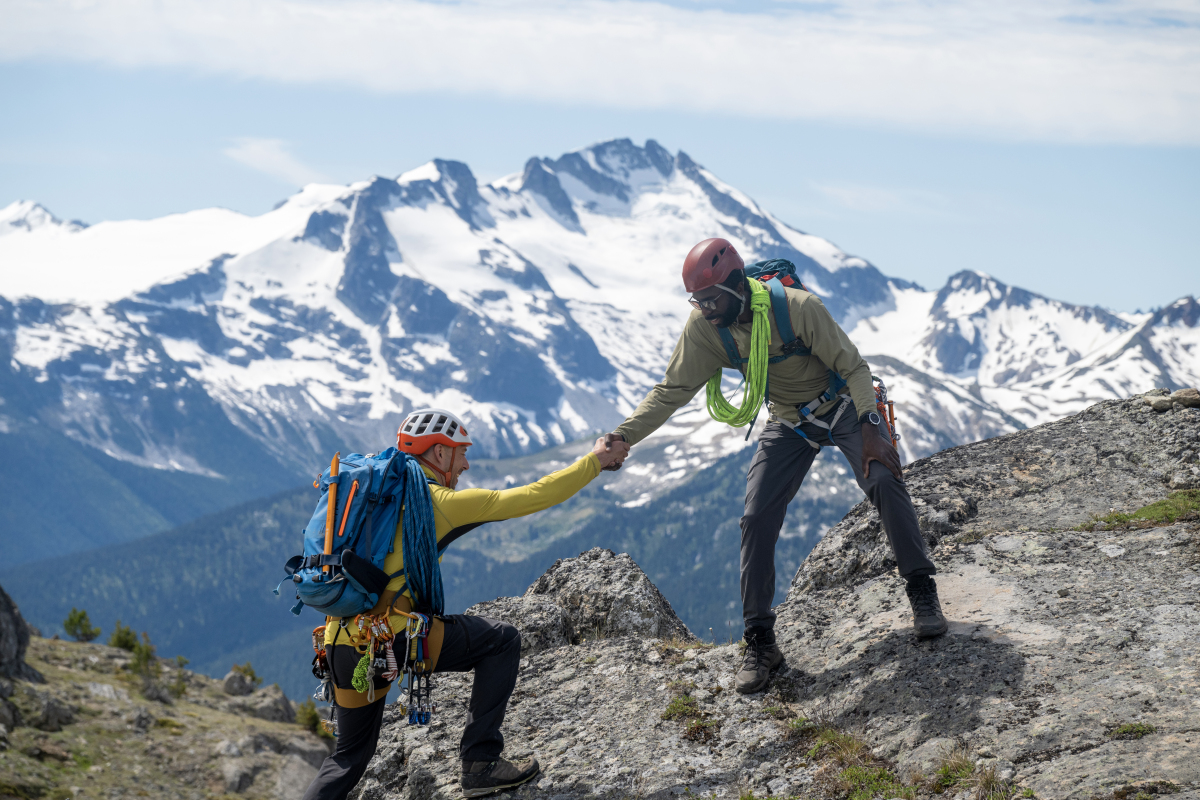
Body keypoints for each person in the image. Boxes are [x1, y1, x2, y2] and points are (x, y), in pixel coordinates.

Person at [602, 238, 947, 695]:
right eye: (696, 301)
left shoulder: (799, 308)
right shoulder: (706, 329)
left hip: (844, 406)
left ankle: (922, 590)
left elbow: (855, 367)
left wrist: (868, 425)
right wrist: (623, 435)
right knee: (756, 516)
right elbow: (672, 390)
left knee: (883, 478)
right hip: (790, 420)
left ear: (736, 285)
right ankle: (761, 643)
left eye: (709, 299)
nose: (703, 309)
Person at [303, 408, 630, 800]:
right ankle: (480, 764)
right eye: (460, 453)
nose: (466, 464)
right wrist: (595, 460)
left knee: (348, 758)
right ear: (439, 453)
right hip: (393, 639)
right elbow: (534, 496)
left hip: (340, 639)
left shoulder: (377, 493)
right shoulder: (436, 501)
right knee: (502, 640)